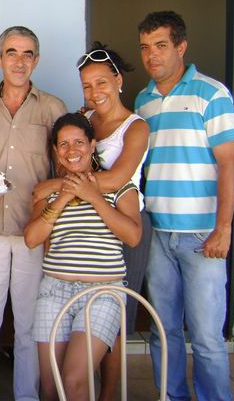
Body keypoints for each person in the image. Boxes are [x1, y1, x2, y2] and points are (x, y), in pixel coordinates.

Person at [32, 42, 150, 400]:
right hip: (76, 223)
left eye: (101, 82)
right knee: (62, 370)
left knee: (115, 323)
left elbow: (115, 179)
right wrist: (56, 191)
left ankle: (108, 394)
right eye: (86, 85)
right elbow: (67, 159)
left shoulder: (135, 126)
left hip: (121, 214)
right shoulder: (84, 121)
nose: (94, 91)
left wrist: (55, 187)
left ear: (118, 81)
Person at [135, 11, 234, 401]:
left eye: (161, 45)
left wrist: (223, 228)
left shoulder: (212, 94)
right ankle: (172, 396)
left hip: (202, 235)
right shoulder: (143, 100)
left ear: (181, 47)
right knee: (164, 330)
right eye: (145, 47)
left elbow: (229, 163)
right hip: (157, 232)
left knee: (207, 335)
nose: (152, 55)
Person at [0, 26, 67, 400]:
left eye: (27, 54)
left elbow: (66, 168)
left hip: (33, 232)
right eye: (12, 52)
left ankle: (27, 396)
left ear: (36, 61)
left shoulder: (52, 108)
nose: (19, 61)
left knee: (29, 324)